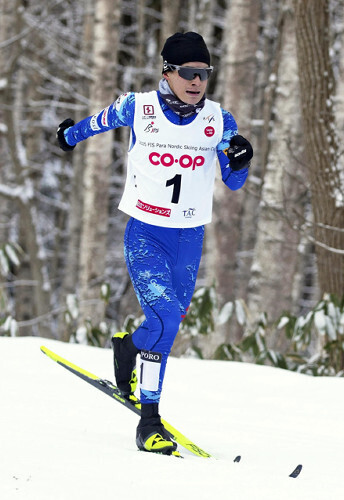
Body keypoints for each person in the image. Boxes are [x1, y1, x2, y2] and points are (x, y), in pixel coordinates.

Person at [57, 31, 253, 455]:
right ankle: (149, 421)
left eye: (204, 73)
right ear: (167, 71)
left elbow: (234, 181)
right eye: (188, 72)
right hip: (146, 233)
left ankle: (127, 348)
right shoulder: (138, 107)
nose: (197, 81)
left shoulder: (218, 121)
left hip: (189, 238)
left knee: (167, 325)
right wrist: (68, 136)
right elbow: (99, 122)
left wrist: (241, 158)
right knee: (163, 319)